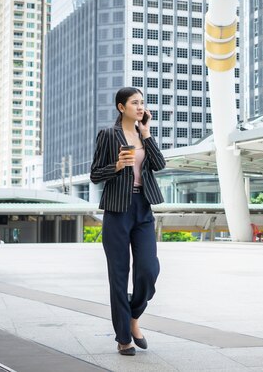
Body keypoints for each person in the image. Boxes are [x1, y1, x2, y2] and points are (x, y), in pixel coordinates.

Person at [90, 87, 166, 356]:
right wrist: (118, 166)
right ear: (121, 107)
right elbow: (95, 175)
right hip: (117, 210)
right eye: (135, 102)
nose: (140, 107)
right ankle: (124, 337)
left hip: (143, 208)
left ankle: (133, 317)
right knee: (119, 276)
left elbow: (159, 165)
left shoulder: (143, 134)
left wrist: (147, 134)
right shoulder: (109, 134)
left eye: (142, 103)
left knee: (148, 269)